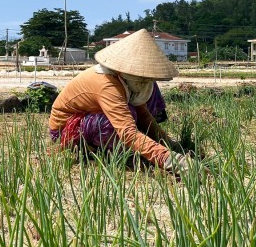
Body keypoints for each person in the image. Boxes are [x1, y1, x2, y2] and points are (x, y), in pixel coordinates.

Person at [48, 29, 193, 174]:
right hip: (68, 132)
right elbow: (127, 133)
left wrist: (169, 145)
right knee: (120, 118)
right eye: (141, 80)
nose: (144, 83)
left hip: (99, 116)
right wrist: (174, 162)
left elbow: (143, 113)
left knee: (150, 93)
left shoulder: (126, 80)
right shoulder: (107, 84)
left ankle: (143, 146)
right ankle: (108, 155)